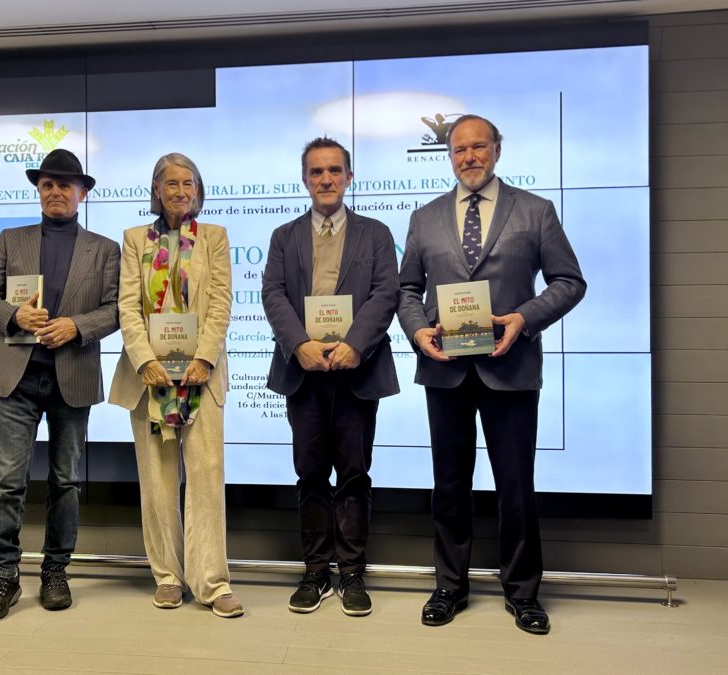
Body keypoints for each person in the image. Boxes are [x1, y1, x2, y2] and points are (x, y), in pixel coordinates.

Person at [397, 114, 586, 634]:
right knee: (449, 485)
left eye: (478, 147)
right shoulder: (425, 217)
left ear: (497, 150)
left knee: (516, 487)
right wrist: (418, 333)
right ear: (449, 156)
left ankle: (523, 593)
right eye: (459, 150)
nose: (469, 157)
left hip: (512, 366)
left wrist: (524, 317)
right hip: (446, 370)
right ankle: (448, 587)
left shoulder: (536, 211)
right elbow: (406, 290)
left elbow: (570, 281)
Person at [0, 148, 121, 623]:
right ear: (39, 190)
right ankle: (3, 576)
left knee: (66, 482)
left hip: (72, 376)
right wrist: (14, 314)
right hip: (18, 376)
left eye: (65, 184)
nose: (55, 191)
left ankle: (56, 571)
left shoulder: (105, 249)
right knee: (7, 483)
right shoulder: (11, 239)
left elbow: (118, 310)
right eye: (47, 184)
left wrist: (76, 326)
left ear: (83, 192)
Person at [262, 137, 399, 616]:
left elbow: (386, 294)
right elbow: (273, 294)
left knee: (355, 475)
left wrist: (354, 345)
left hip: (357, 371)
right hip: (304, 372)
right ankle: (316, 571)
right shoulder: (284, 236)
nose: (326, 180)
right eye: (317, 172)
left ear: (349, 177)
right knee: (310, 473)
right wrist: (298, 344)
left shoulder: (376, 233)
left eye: (335, 171)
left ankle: (352, 573)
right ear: (305, 179)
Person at [108, 153, 242, 618]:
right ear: (157, 190)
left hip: (203, 378)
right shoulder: (132, 240)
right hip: (150, 380)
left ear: (198, 190)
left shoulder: (215, 238)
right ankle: (167, 577)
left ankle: (213, 582)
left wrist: (205, 357)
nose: (180, 190)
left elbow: (222, 300)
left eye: (188, 183)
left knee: (205, 479)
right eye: (171, 183)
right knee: (158, 482)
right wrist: (144, 361)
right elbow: (127, 306)